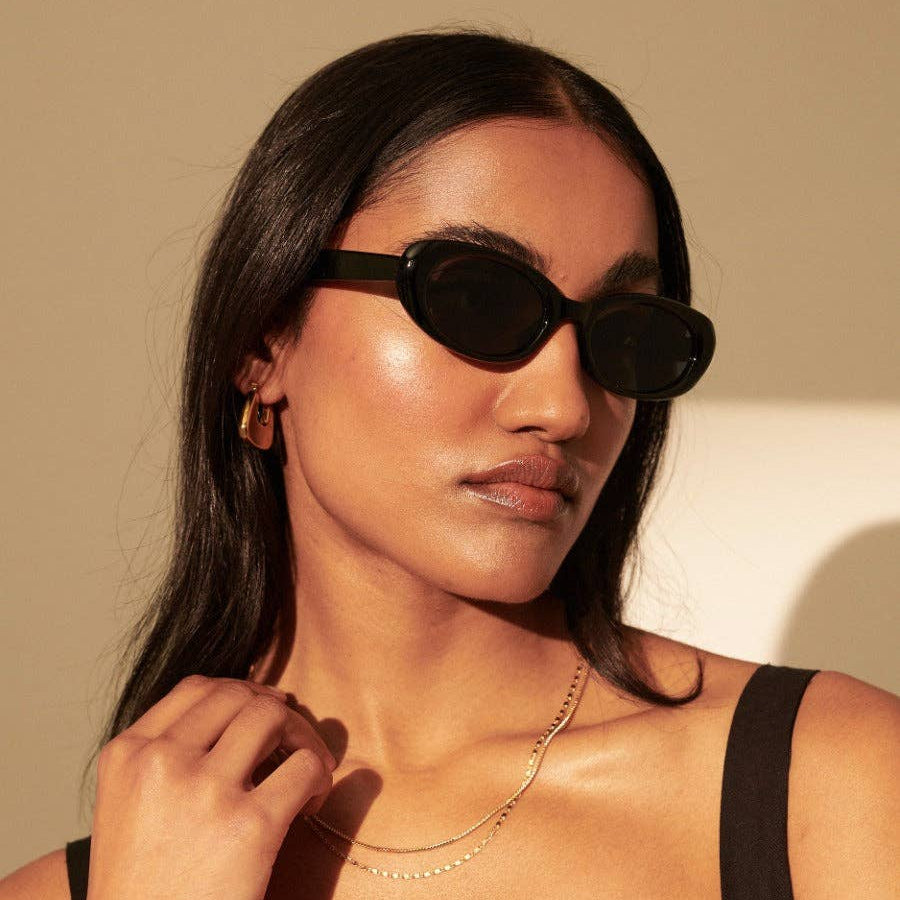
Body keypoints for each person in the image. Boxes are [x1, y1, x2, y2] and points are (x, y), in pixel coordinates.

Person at [1, 26, 896, 900]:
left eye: (625, 334)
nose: (564, 406)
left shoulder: (838, 784)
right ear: (264, 340)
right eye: (477, 299)